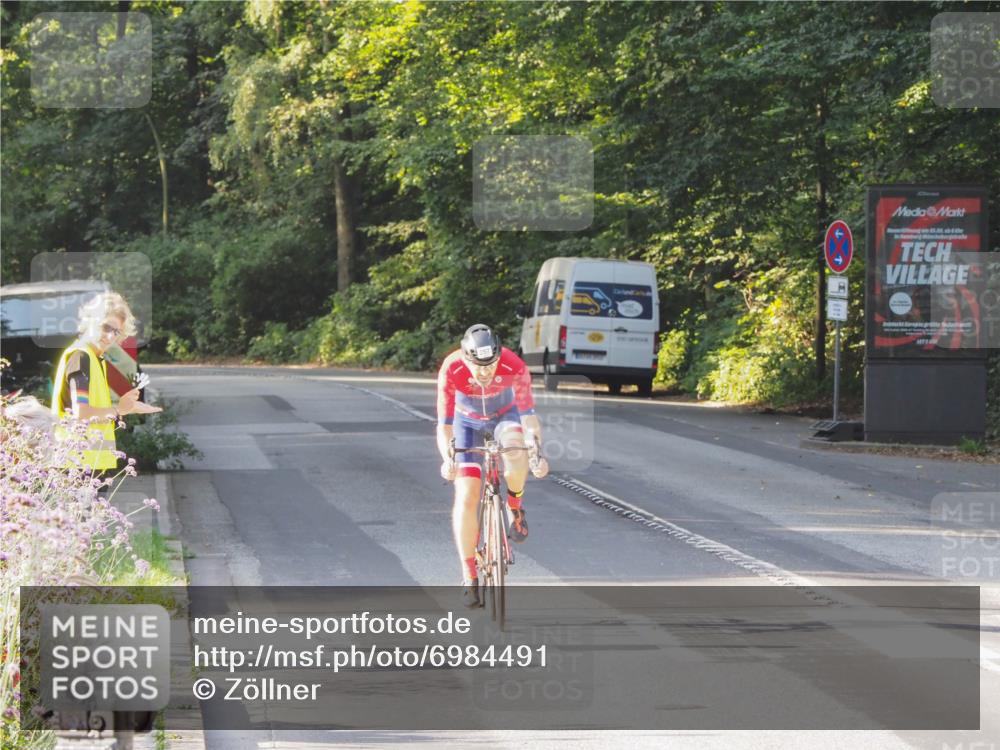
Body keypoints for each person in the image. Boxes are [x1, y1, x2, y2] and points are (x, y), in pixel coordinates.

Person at [436, 324, 548, 608]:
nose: (485, 372)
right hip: (466, 423)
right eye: (478, 366)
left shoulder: (514, 366)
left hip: (504, 416)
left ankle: (514, 504)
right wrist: (447, 458)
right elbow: (445, 426)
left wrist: (536, 453)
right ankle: (470, 575)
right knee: (466, 495)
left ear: (500, 356)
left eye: (491, 365)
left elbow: (530, 420)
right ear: (465, 359)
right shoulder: (452, 369)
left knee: (515, 446)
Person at [51, 292, 160, 472]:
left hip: (89, 464)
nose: (110, 337)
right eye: (106, 327)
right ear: (91, 323)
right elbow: (81, 413)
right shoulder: (81, 357)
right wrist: (119, 410)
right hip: (78, 466)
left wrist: (129, 408)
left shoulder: (94, 359)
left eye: (116, 332)